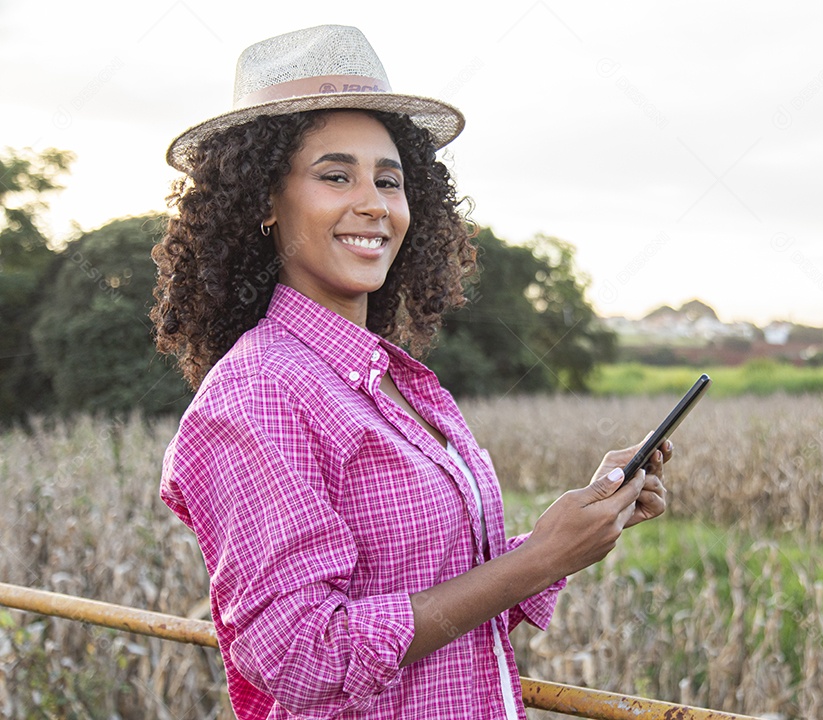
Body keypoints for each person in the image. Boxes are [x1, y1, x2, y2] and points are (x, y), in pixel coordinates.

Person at [153, 25, 670, 719]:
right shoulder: (257, 395)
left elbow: (437, 599)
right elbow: (305, 656)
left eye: (388, 180)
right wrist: (538, 559)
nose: (373, 204)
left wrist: (577, 527)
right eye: (336, 176)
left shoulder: (395, 380)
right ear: (263, 202)